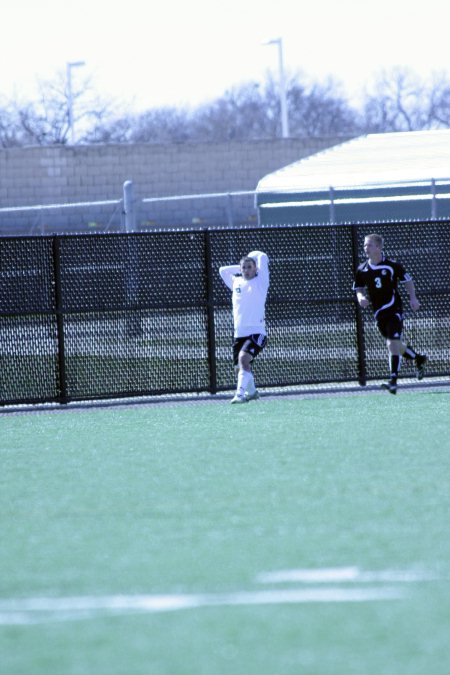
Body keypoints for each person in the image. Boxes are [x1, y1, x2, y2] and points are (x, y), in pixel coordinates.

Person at [353, 233, 427, 395]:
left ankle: (393, 381)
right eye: (365, 245)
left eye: (369, 245)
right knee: (397, 346)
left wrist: (413, 298)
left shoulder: (393, 266)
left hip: (394, 310)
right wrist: (360, 297)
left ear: (378, 248)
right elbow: (358, 287)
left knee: (392, 343)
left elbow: (407, 280)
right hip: (379, 313)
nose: (366, 248)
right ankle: (419, 358)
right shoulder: (362, 269)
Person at [219, 250, 269, 404]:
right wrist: (241, 266)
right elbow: (222, 270)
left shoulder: (261, 282)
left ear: (256, 268)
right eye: (244, 268)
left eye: (249, 267)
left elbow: (262, 256)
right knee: (239, 368)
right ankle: (252, 392)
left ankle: (240, 395)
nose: (246, 271)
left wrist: (252, 258)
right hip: (239, 334)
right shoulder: (236, 282)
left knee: (243, 359)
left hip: (256, 332)